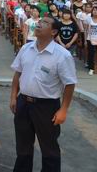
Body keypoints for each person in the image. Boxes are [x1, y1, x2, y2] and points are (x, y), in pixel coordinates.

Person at [10, 16, 77, 172]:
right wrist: (13, 97)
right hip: (23, 103)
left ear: (53, 32)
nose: (39, 24)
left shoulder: (62, 55)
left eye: (45, 23)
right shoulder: (26, 49)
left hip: (47, 107)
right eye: (39, 21)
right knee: (23, 147)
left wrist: (63, 110)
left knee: (49, 149)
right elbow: (17, 74)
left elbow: (69, 84)